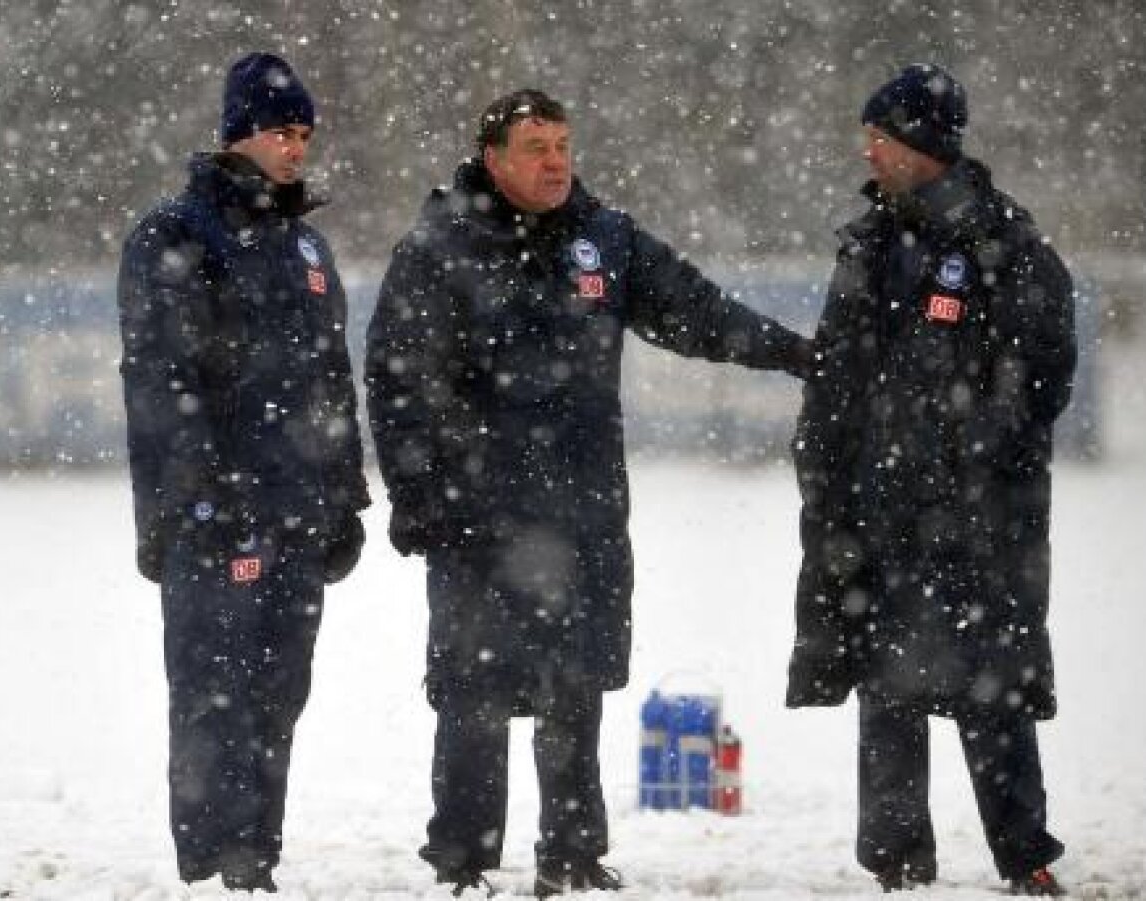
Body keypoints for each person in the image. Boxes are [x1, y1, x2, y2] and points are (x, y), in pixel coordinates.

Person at [365, 89, 812, 897]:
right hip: (479, 514)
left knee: (575, 684)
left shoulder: (602, 239)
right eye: (536, 147)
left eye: (564, 144)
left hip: (582, 511)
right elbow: (398, 380)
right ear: (493, 158)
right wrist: (419, 492)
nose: (556, 161)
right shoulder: (440, 246)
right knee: (475, 692)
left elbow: (695, 309)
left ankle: (571, 854)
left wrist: (791, 352)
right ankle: (462, 858)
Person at [784, 64, 1076, 896]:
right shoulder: (868, 240)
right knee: (886, 685)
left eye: (880, 135)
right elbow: (837, 372)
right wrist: (829, 466)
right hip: (878, 514)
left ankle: (1026, 859)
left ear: (920, 144)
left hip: (979, 520)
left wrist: (957, 453)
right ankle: (897, 865)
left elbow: (1042, 379)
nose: (867, 150)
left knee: (993, 689)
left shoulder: (1006, 244)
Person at [117, 52, 370, 892]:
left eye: (303, 133)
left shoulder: (306, 244)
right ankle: (216, 862)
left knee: (277, 696)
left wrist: (345, 497)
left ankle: (254, 858)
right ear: (236, 135)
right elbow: (161, 381)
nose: (295, 148)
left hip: (298, 513)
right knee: (212, 698)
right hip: (214, 516)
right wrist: (196, 499)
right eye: (278, 131)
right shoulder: (177, 234)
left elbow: (332, 378)